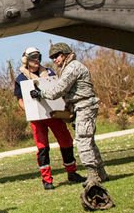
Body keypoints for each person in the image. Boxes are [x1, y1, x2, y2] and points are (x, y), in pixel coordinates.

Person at [32, 43, 110, 183]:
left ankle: (93, 176)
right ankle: (101, 174)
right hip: (82, 107)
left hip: (84, 106)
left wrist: (40, 93)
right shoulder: (69, 67)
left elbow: (58, 90)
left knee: (83, 142)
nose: (54, 59)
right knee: (89, 142)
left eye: (56, 56)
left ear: (65, 54)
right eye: (52, 57)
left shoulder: (72, 67)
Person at [13, 46, 83, 189]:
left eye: (38, 56)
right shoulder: (20, 78)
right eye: (33, 57)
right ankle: (47, 180)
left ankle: (72, 172)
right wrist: (29, 110)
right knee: (42, 147)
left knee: (66, 141)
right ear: (26, 60)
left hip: (53, 114)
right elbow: (20, 100)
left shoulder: (49, 72)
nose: (37, 59)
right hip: (37, 119)